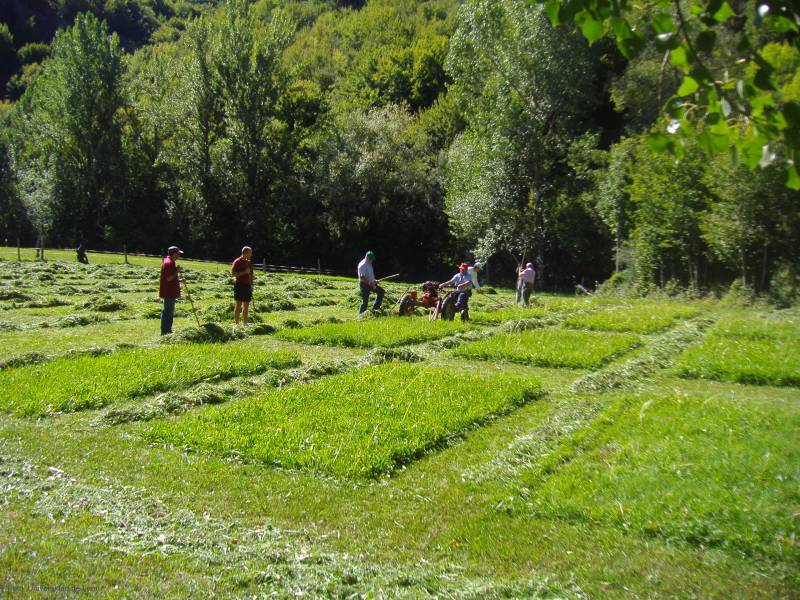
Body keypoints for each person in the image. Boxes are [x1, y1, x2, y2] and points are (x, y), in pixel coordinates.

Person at [159, 246, 183, 335]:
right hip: (169, 292)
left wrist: (179, 280)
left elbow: (170, 278)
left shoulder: (170, 261)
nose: (179, 255)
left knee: (169, 312)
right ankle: (165, 332)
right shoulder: (168, 263)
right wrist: (177, 271)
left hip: (170, 291)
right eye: (178, 254)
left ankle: (167, 330)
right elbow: (169, 278)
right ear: (174, 254)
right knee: (168, 313)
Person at [231, 246, 254, 326]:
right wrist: (244, 272)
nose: (251, 255)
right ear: (245, 253)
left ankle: (245, 323)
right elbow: (233, 274)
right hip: (239, 285)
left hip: (248, 286)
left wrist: (252, 285)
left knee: (246, 305)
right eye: (250, 253)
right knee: (238, 305)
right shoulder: (237, 261)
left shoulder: (249, 262)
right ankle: (237, 323)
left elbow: (251, 275)